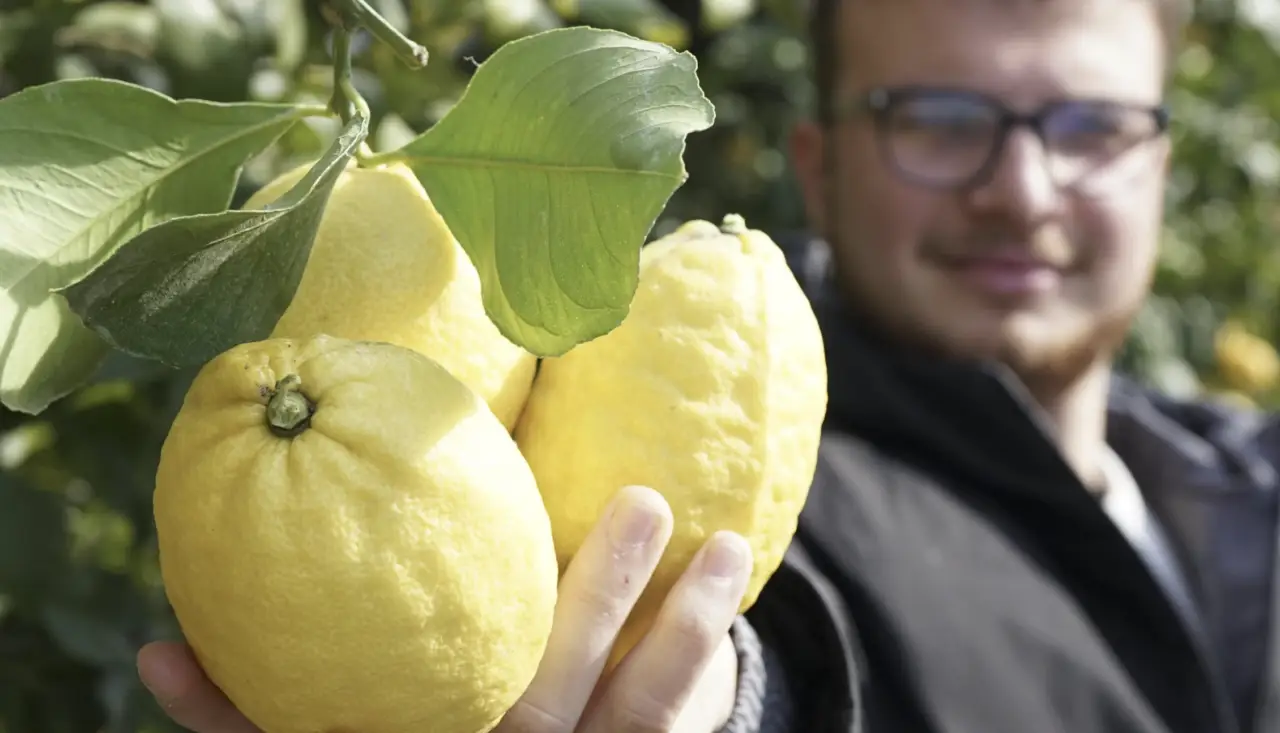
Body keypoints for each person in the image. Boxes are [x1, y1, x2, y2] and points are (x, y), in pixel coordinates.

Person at [135, 0, 1280, 731]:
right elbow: (762, 634)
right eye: (934, 117)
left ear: (1163, 160)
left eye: (1088, 125)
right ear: (816, 165)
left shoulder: (1247, 480)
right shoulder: (753, 436)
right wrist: (728, 703)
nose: (1019, 189)